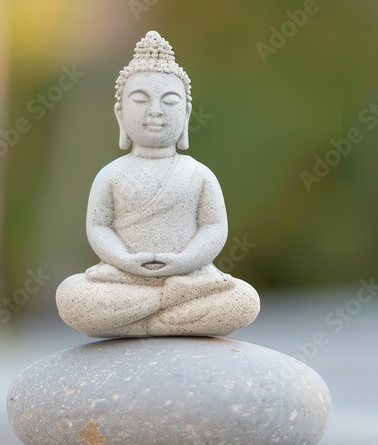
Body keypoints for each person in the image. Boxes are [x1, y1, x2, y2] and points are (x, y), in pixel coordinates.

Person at [56, 31, 260, 337]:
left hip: (190, 278)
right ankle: (167, 311)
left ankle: (139, 322)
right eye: (141, 100)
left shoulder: (199, 174)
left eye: (169, 101)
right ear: (120, 114)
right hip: (124, 279)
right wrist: (125, 260)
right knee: (73, 296)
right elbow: (99, 227)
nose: (155, 111)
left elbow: (214, 227)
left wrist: (184, 261)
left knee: (243, 300)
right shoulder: (110, 174)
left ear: (186, 113)